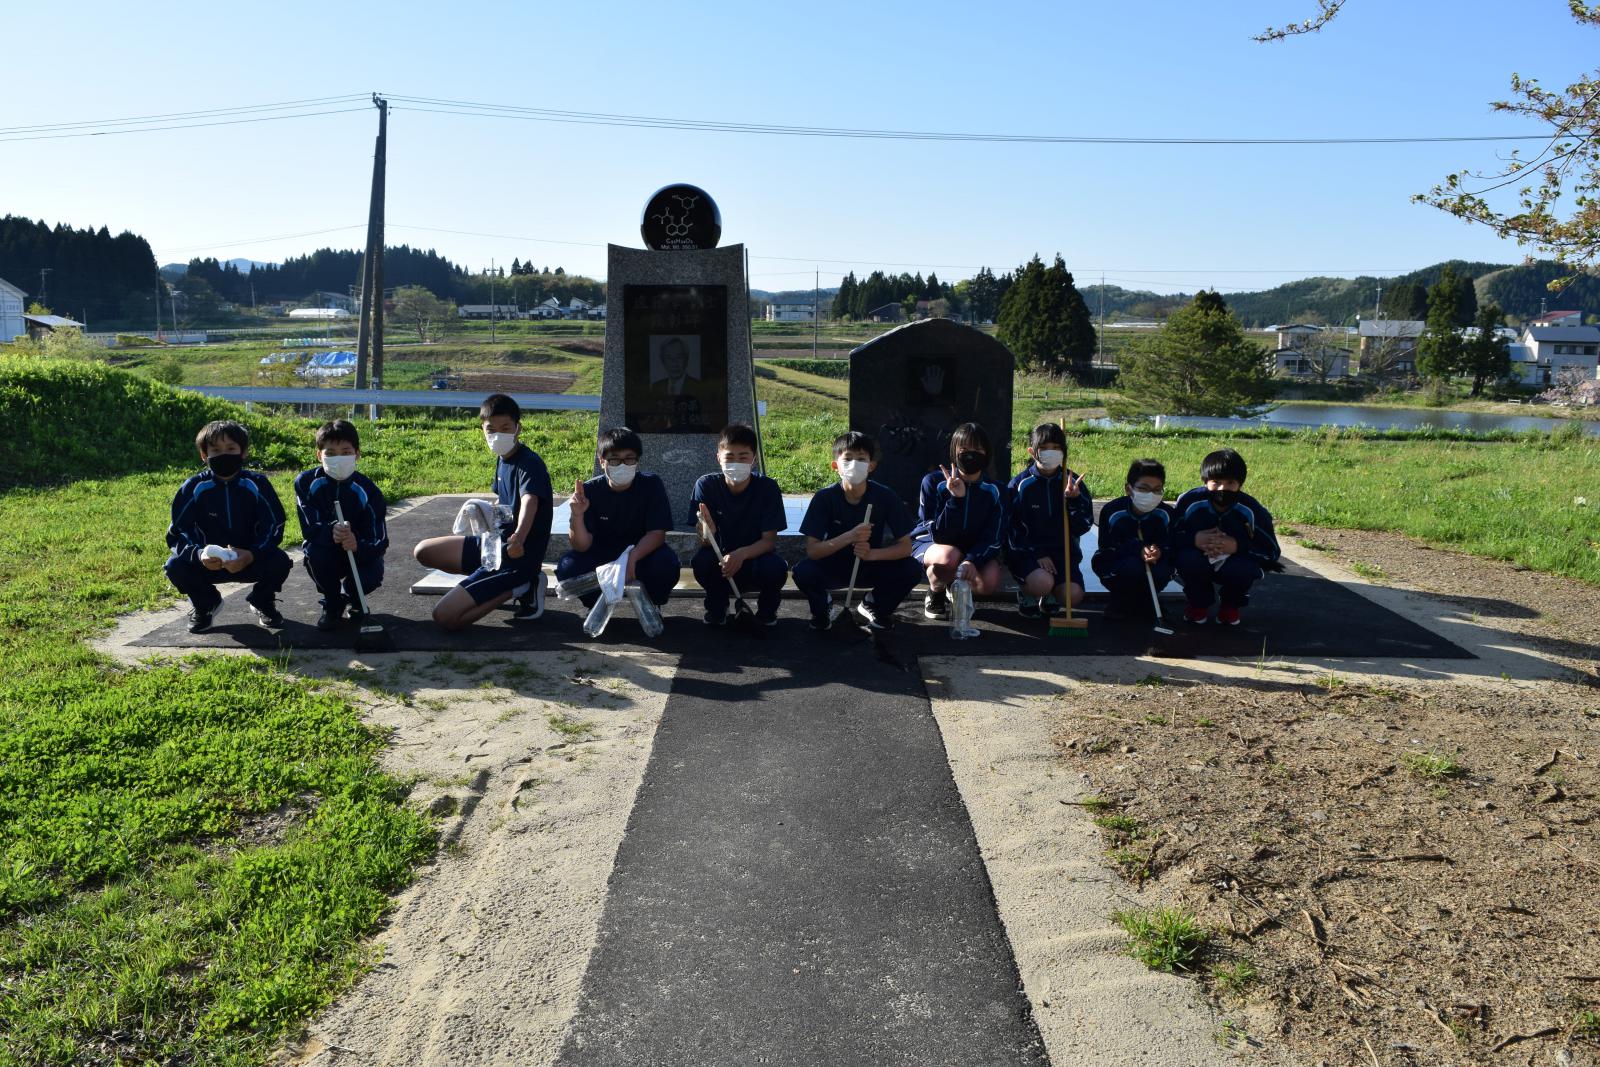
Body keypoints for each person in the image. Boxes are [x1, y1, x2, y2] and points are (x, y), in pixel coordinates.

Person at [412, 394, 553, 631]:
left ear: (518, 428)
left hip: (516, 556)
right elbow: (504, 501)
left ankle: (520, 586)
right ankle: (489, 584)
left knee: (444, 616)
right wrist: (483, 512)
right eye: (491, 429)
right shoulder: (502, 459)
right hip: (494, 545)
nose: (497, 435)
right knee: (424, 551)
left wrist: (518, 536)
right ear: (482, 429)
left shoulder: (530, 463)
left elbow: (531, 502)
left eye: (505, 428)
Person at [164, 419, 292, 633]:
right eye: (215, 450)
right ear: (204, 456)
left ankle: (262, 601)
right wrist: (199, 555)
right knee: (174, 566)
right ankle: (206, 604)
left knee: (280, 561)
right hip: (208, 563)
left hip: (249, 559)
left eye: (231, 448)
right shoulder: (193, 487)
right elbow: (178, 532)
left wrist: (251, 554)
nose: (224, 454)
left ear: (243, 452)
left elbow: (275, 525)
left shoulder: (258, 484)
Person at [793, 431, 921, 631]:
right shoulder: (824, 498)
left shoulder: (885, 496)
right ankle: (823, 607)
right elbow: (813, 550)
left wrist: (872, 554)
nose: (854, 464)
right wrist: (850, 536)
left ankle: (874, 604)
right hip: (833, 564)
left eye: (861, 459)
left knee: (912, 569)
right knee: (803, 572)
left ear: (871, 466)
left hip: (870, 564)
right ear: (836, 466)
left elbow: (905, 547)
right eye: (848, 458)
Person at [557, 426, 681, 609]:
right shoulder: (590, 491)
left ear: (637, 460)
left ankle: (653, 603)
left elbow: (657, 533)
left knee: (666, 563)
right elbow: (581, 545)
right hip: (601, 557)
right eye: (614, 460)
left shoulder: (651, 485)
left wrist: (633, 557)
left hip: (641, 556)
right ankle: (596, 603)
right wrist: (577, 515)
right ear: (602, 461)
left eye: (629, 459)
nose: (623, 465)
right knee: (568, 566)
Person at [292, 419, 389, 631]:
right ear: (319, 455)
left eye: (346, 452)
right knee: (314, 552)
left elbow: (379, 540)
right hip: (327, 551)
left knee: (365, 578)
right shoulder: (306, 483)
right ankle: (332, 602)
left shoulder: (368, 490)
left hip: (360, 553)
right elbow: (309, 525)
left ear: (357, 453)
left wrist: (357, 544)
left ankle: (356, 600)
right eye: (330, 453)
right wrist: (331, 531)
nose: (338, 458)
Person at [688, 423, 788, 626]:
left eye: (743, 457)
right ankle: (717, 606)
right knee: (702, 561)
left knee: (776, 567)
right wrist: (708, 533)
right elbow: (705, 542)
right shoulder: (705, 486)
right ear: (719, 458)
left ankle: (767, 611)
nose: (736, 462)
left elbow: (769, 541)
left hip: (755, 558)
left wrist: (741, 554)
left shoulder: (767, 488)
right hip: (720, 560)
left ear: (754, 459)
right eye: (729, 457)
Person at [1171, 448, 1282, 626]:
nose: (1223, 488)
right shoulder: (1188, 501)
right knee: (1187, 559)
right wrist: (1194, 539)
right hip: (1198, 557)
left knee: (1244, 568)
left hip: (1235, 561)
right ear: (1205, 481)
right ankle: (1198, 605)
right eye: (1216, 482)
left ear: (1240, 483)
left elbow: (1271, 552)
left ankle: (1230, 605)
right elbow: (1170, 536)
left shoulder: (1253, 510)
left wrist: (1237, 546)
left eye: (1230, 482)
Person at [911, 421, 1006, 619]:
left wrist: (972, 559)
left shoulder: (996, 490)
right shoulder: (933, 482)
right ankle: (936, 590)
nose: (971, 454)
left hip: (972, 546)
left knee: (989, 581)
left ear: (987, 453)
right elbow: (936, 532)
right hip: (936, 544)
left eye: (977, 449)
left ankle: (954, 587)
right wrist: (956, 500)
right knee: (949, 557)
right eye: (964, 448)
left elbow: (994, 536)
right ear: (954, 451)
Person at [1006, 423, 1092, 618]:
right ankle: (1028, 592)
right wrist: (1037, 553)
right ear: (1032, 451)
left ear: (1064, 451)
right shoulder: (1020, 485)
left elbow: (1083, 526)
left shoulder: (1073, 483)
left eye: (1056, 448)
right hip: (1029, 554)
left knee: (1074, 596)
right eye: (1044, 448)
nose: (1050, 452)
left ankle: (1051, 595)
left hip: (1063, 554)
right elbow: (1011, 529)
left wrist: (1074, 501)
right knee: (1042, 583)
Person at [1091, 458, 1174, 621]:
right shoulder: (1112, 511)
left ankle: (1149, 600)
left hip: (1153, 562)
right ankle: (1120, 600)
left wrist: (1159, 551)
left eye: (1157, 490)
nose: (1151, 495)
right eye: (1144, 488)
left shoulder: (1166, 513)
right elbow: (1107, 548)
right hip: (1121, 562)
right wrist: (1137, 549)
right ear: (1128, 489)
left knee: (1163, 569)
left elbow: (1171, 545)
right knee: (1132, 567)